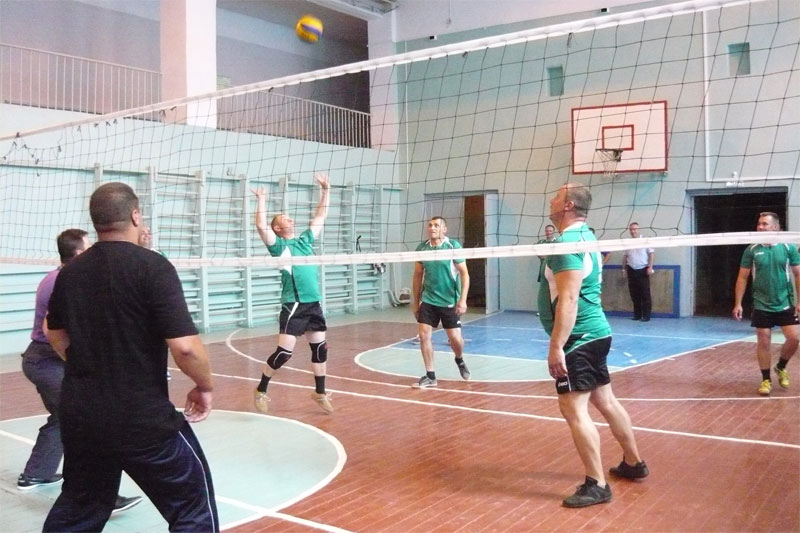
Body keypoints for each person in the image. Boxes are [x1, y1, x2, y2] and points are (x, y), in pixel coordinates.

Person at [43, 183, 218, 532]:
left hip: (82, 417)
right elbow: (185, 348)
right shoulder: (154, 267)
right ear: (136, 216)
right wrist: (204, 385)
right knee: (192, 509)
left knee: (80, 509)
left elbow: (53, 331)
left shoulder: (70, 272)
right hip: (141, 419)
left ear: (96, 222)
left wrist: (85, 363)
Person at [17, 229, 142, 512]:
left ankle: (36, 473)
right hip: (47, 361)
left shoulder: (64, 277)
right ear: (78, 253)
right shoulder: (63, 281)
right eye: (88, 247)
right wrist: (81, 362)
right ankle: (100, 497)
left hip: (43, 359)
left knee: (63, 418)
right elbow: (51, 330)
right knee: (88, 421)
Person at [540, 183, 648, 508]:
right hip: (597, 332)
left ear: (568, 205)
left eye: (557, 196)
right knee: (606, 400)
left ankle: (597, 483)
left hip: (580, 337)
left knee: (573, 408)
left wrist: (556, 346)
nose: (551, 199)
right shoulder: (587, 236)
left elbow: (569, 298)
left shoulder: (567, 243)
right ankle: (633, 462)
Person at [252, 173, 334, 414]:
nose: (291, 219)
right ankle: (261, 390)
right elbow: (261, 226)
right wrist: (261, 200)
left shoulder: (305, 241)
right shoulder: (279, 246)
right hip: (294, 305)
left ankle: (320, 393)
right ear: (278, 228)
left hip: (313, 304)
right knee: (284, 353)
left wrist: (326, 190)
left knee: (320, 349)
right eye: (285, 218)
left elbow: (320, 216)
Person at [733, 212, 800, 396]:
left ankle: (781, 366)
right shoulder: (752, 249)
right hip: (761, 303)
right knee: (763, 339)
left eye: (764, 224)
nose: (760, 227)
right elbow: (742, 277)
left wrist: (799, 301)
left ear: (775, 227)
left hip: (785, 301)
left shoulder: (788, 247)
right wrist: (738, 303)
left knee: (794, 338)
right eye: (759, 224)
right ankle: (766, 379)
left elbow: (798, 274)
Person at [410, 216, 471, 388]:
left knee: (455, 340)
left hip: (449, 301)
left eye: (436, 225)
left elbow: (465, 274)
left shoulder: (453, 246)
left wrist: (463, 300)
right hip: (428, 299)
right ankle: (430, 376)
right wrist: (415, 302)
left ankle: (459, 358)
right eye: (430, 225)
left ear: (444, 229)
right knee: (424, 335)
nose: (432, 228)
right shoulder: (422, 248)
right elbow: (417, 275)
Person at [621, 222, 654, 321]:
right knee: (634, 294)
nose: (633, 231)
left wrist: (650, 267)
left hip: (643, 269)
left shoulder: (645, 241)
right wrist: (623, 269)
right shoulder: (627, 242)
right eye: (631, 229)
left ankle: (646, 316)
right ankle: (637, 315)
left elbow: (651, 254)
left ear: (639, 230)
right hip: (631, 269)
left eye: (635, 229)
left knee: (645, 294)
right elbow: (625, 256)